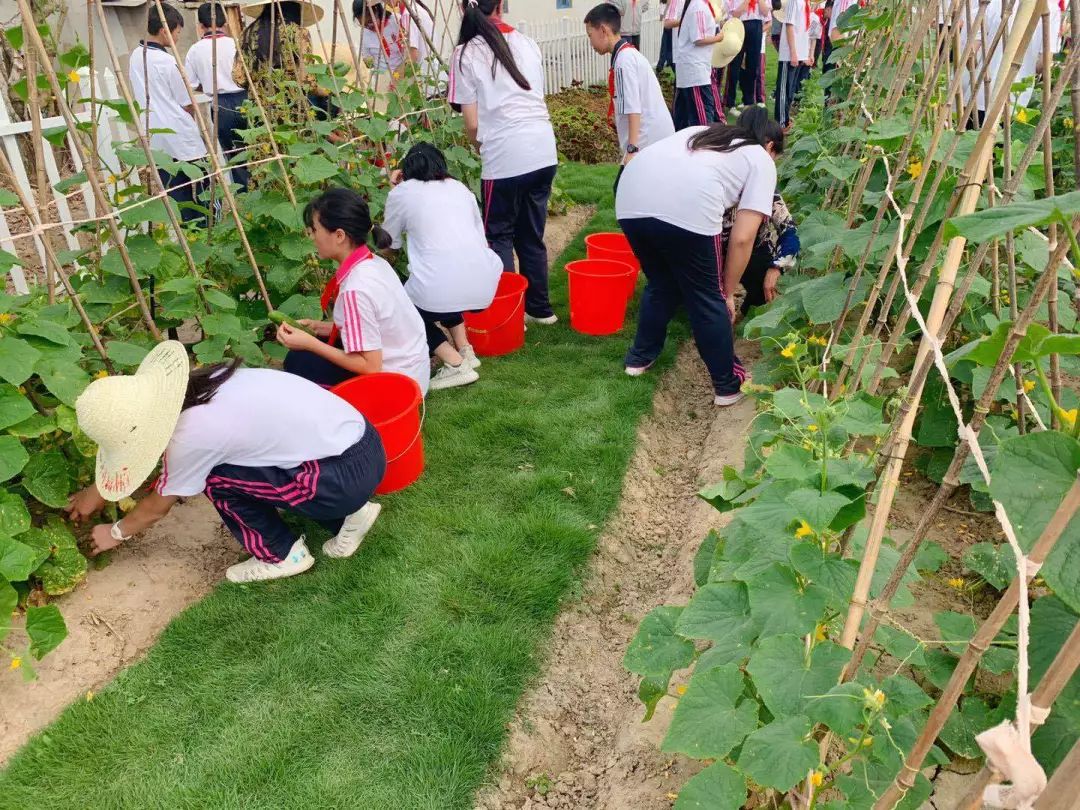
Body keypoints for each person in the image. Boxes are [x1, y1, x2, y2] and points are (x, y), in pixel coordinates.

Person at [66, 342, 387, 584]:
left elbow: (157, 506)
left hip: (337, 480)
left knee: (213, 478)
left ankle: (282, 554)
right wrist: (100, 490)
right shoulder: (209, 382)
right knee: (236, 463)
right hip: (365, 445)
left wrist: (116, 532)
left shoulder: (189, 436)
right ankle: (352, 515)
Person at [615, 107, 783, 405]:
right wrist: (728, 292)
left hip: (630, 198)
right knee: (707, 298)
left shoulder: (707, 133)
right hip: (687, 205)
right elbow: (743, 238)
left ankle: (638, 360)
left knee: (662, 282)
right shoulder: (761, 159)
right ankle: (727, 387)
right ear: (771, 148)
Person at [448, 0, 560, 325]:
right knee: (531, 233)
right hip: (543, 148)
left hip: (505, 155)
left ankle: (510, 315)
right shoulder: (527, 42)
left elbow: (471, 124)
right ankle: (540, 309)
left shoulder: (466, 52)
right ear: (500, 5)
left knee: (498, 235)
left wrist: (483, 147)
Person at [278, 188, 431, 394]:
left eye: (314, 230)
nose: (312, 237)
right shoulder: (373, 263)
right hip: (413, 373)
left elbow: (370, 366)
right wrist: (317, 328)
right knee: (306, 355)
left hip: (395, 387)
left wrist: (310, 343)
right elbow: (369, 326)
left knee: (300, 363)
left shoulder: (355, 289)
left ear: (339, 235)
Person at [382, 143, 502, 390]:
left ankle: (455, 364)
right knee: (440, 276)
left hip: (441, 285)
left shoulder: (402, 192)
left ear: (406, 170)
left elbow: (389, 244)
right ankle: (466, 350)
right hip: (484, 283)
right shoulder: (460, 188)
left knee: (403, 311)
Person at [129, 4, 210, 225]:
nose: (178, 37)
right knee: (206, 187)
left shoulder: (136, 57)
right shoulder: (167, 62)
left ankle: (191, 233)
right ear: (166, 30)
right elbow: (186, 101)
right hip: (181, 135)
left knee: (177, 194)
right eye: (177, 32)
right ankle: (209, 227)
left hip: (158, 138)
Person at [584, 2, 675, 174]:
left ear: (603, 31)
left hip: (647, 141)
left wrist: (632, 150)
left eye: (590, 35)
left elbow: (633, 108)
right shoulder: (628, 54)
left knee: (624, 190)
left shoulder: (623, 63)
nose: (590, 43)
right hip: (654, 137)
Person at [185, 2, 250, 192]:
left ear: (201, 25)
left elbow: (190, 84)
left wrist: (207, 82)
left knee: (234, 154)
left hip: (220, 104)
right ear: (225, 21)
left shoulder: (195, 50)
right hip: (245, 99)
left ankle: (243, 194)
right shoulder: (237, 44)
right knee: (257, 147)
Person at [232, 0, 327, 130]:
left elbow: (239, 78)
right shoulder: (298, 32)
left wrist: (260, 83)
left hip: (260, 113)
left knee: (266, 147)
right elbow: (307, 80)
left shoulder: (247, 34)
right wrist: (327, 91)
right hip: (292, 112)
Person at [721, 191, 800, 316]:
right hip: (711, 254)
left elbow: (790, 231)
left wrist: (777, 266)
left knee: (767, 299)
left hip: (754, 252)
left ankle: (750, 310)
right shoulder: (710, 186)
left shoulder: (764, 187)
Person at [667, 0, 727, 129]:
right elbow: (698, 39)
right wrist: (719, 38)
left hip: (695, 67)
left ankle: (683, 143)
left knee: (683, 115)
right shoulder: (698, 7)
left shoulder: (700, 5)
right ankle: (703, 145)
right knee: (702, 117)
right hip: (695, 70)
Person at [722, 0, 770, 110]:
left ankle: (748, 101)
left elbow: (765, 12)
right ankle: (731, 102)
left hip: (756, 25)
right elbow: (735, 14)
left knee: (752, 65)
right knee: (735, 65)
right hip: (739, 25)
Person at [775, 0, 813, 129]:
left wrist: (805, 54)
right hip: (790, 53)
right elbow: (789, 25)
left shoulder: (805, 2)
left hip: (800, 53)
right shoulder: (794, 1)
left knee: (791, 90)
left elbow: (804, 30)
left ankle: (785, 118)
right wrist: (793, 52)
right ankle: (781, 122)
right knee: (784, 90)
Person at [657, 0, 676, 71]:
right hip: (668, 28)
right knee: (665, 47)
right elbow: (661, 17)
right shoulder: (662, 3)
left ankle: (669, 64)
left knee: (669, 48)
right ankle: (661, 65)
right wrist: (668, 5)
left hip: (674, 27)